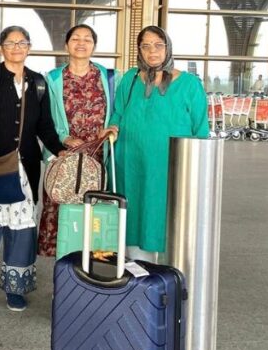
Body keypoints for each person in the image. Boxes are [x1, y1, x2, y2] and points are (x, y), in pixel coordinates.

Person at [0, 26, 65, 312]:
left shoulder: (38, 83)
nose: (17, 47)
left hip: (26, 168)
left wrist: (62, 151)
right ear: (0, 48)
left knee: (22, 228)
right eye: (11, 42)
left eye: (22, 42)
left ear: (29, 48)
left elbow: (45, 127)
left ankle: (15, 286)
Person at [103, 25, 208, 262]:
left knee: (165, 210)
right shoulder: (130, 78)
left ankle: (169, 273)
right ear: (139, 50)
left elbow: (201, 129)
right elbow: (118, 113)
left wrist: (199, 168)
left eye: (158, 45)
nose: (153, 51)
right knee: (133, 210)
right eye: (146, 46)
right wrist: (112, 127)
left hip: (169, 164)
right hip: (131, 161)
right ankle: (137, 269)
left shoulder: (189, 84)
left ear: (168, 47)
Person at [39, 24, 116, 257]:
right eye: (75, 38)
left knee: (95, 212)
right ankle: (63, 269)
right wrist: (64, 137)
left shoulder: (110, 77)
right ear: (66, 45)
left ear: (94, 45)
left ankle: (93, 268)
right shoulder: (52, 79)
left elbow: (119, 111)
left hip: (99, 156)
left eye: (87, 39)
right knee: (62, 209)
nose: (81, 43)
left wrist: (113, 127)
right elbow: (45, 118)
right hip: (65, 158)